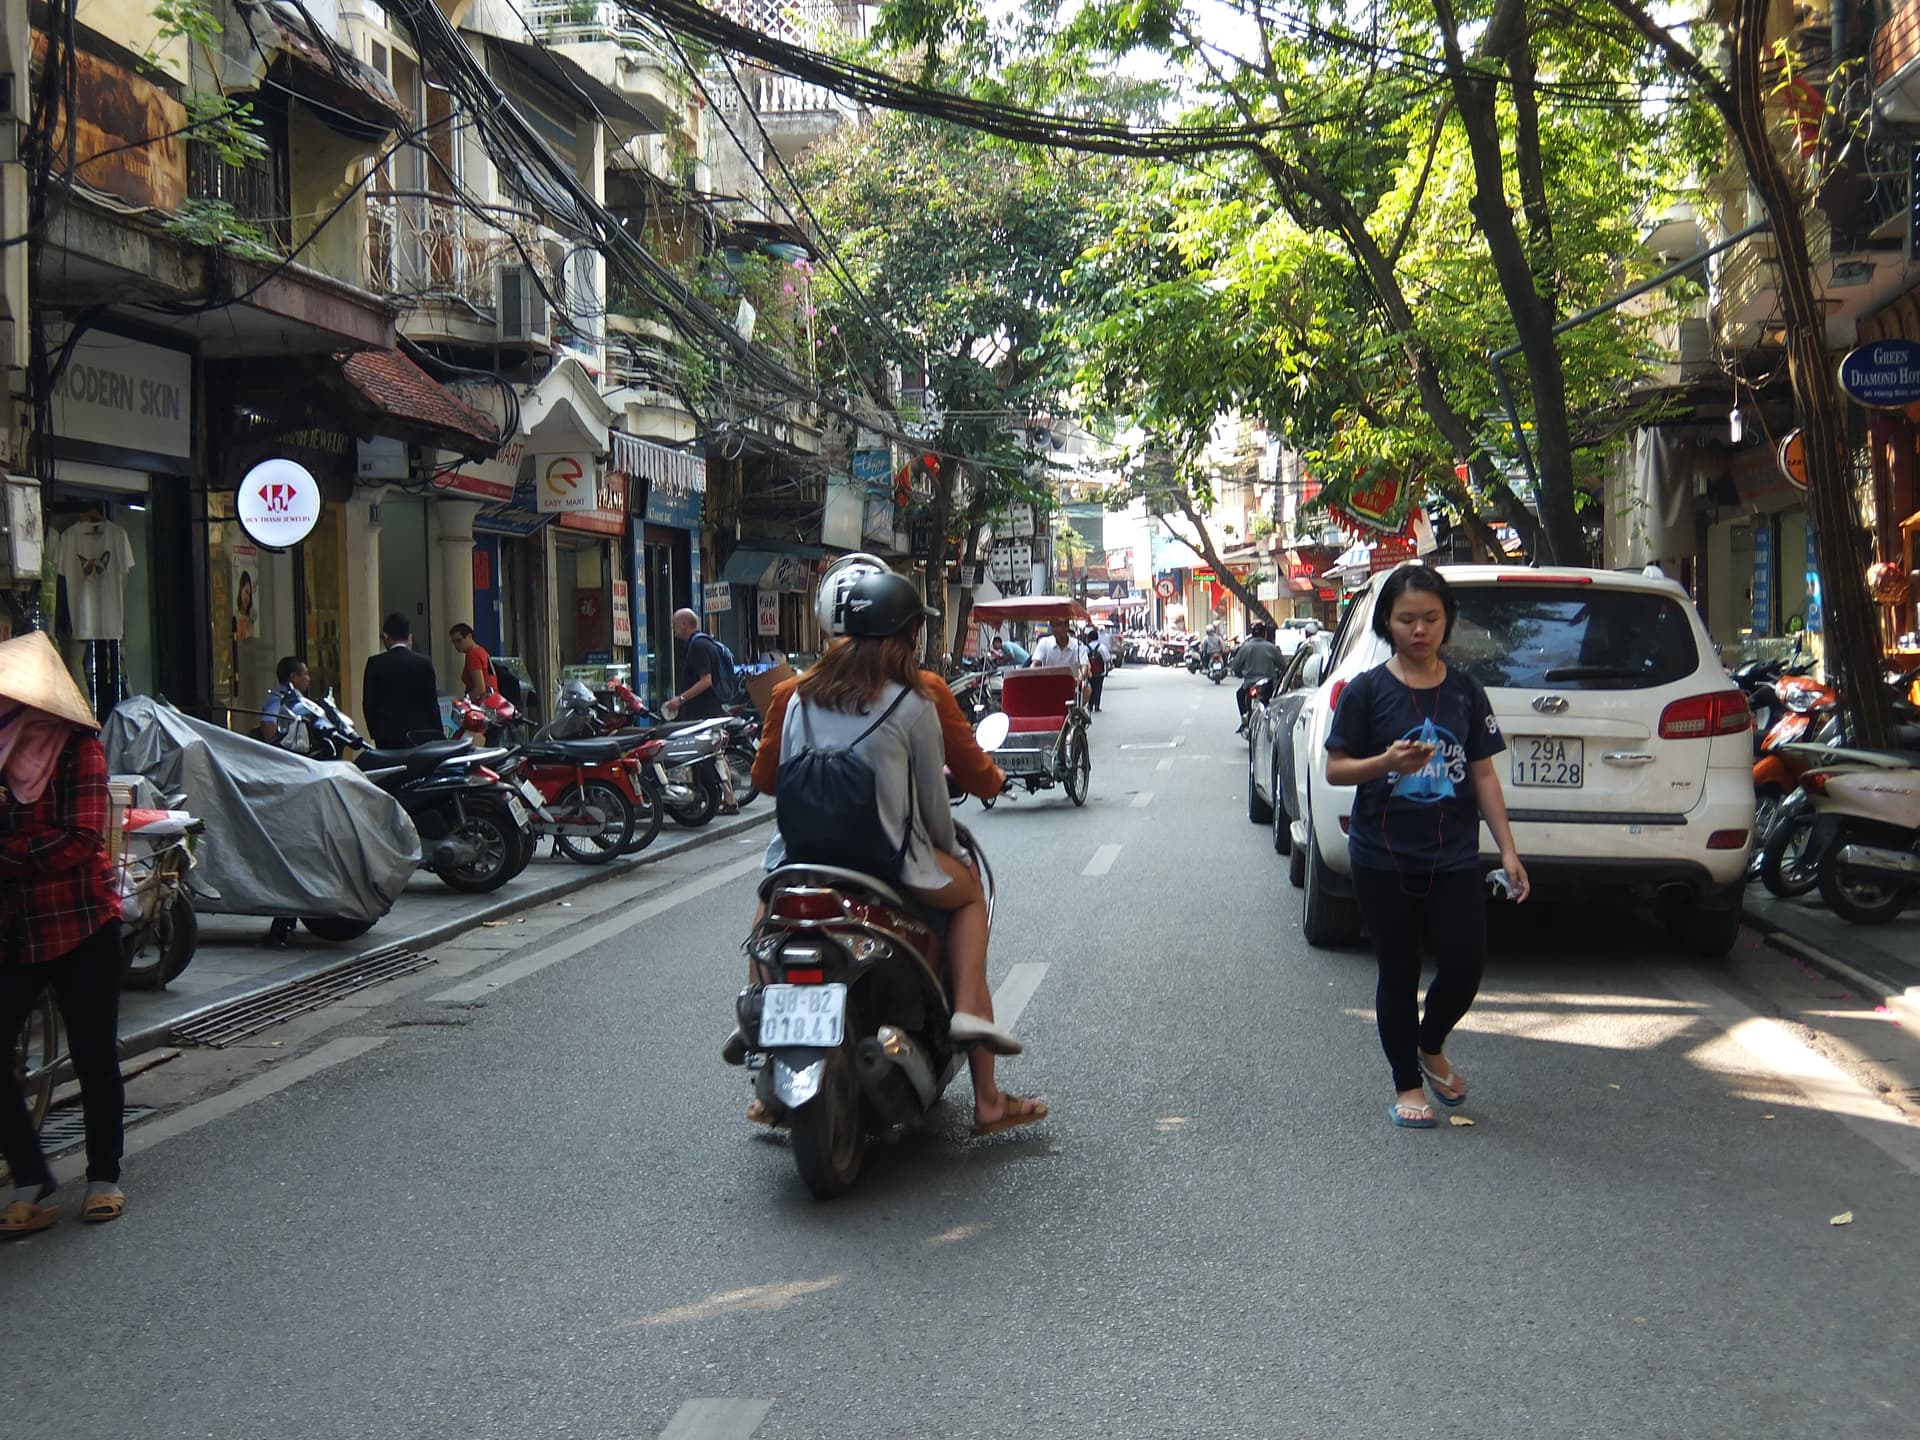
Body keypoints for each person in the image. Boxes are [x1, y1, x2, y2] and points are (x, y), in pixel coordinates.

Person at [750, 570, 1042, 1137]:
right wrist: (949, 848)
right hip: (890, 865)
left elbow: (779, 784)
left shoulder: (797, 699)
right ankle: (982, 1078)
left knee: (765, 915)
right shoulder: (914, 703)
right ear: (904, 638)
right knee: (968, 901)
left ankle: (766, 1048)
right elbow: (935, 814)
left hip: (801, 862)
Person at [1323, 566, 1529, 1130]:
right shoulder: (1367, 691)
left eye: (1431, 618)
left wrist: (1508, 851)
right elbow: (1336, 768)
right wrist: (1386, 763)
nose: (1420, 630)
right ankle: (1407, 1085)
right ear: (1387, 623)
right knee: (1399, 968)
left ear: (1447, 622)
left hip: (1455, 855)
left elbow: (1484, 775)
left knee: (1465, 964)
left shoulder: (1464, 691)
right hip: (1383, 857)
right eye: (1407, 619)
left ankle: (1429, 1043)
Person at [0, 632, 127, 1234]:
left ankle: (104, 1176)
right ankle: (31, 1177)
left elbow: (79, 840)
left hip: (80, 923)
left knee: (95, 1054)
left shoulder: (79, 748)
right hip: (14, 932)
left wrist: (7, 851)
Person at [361, 612, 442, 749]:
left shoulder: (375, 663)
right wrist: (437, 732)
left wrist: (376, 733)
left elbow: (369, 704)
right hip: (419, 734)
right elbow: (432, 703)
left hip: (387, 735)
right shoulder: (424, 663)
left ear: (386, 636)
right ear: (409, 637)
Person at [663, 609, 726, 724]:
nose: (673, 628)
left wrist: (681, 699)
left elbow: (706, 681)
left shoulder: (698, 646)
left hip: (703, 714)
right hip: (705, 712)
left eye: (675, 624)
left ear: (684, 624)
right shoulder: (702, 642)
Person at [1230, 622, 1286, 733]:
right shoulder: (1271, 648)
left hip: (1249, 684)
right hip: (1268, 685)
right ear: (1264, 633)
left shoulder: (1245, 647)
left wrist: (1239, 673)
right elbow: (1283, 666)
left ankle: (1244, 717)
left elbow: (1236, 666)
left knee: (1240, 694)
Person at [259, 655, 310, 742]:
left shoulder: (295, 698)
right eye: (305, 674)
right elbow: (267, 721)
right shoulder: (280, 698)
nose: (308, 679)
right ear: (293, 676)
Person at [448, 624, 497, 703]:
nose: (456, 645)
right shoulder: (481, 651)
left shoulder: (473, 655)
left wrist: (462, 702)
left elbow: (480, 688)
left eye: (459, 640)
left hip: (480, 705)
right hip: (490, 701)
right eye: (453, 642)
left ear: (469, 637)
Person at [1081, 624, 1111, 713]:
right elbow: (1107, 659)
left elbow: (1082, 661)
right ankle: (1097, 705)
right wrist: (1107, 670)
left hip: (1089, 672)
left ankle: (1090, 705)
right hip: (1100, 672)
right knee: (1098, 688)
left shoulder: (1085, 648)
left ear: (1089, 638)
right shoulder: (1102, 647)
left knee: (1090, 688)